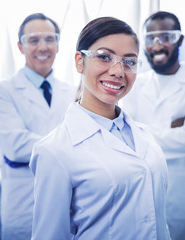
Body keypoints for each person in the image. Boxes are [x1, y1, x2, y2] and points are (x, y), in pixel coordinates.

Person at [30, 17, 170, 240]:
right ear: (79, 62)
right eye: (104, 57)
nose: (118, 71)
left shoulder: (144, 135)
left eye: (129, 61)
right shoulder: (54, 150)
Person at [122, 11, 185, 240]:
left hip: (183, 202)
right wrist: (173, 130)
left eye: (165, 37)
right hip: (140, 200)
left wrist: (139, 133)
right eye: (150, 38)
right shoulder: (134, 84)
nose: (157, 45)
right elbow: (124, 136)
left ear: (180, 40)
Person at [0, 13, 75, 239]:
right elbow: (16, 147)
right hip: (24, 207)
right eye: (34, 40)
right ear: (20, 46)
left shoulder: (74, 92)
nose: (43, 47)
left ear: (58, 44)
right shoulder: (1, 92)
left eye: (50, 39)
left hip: (70, 207)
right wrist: (77, 144)